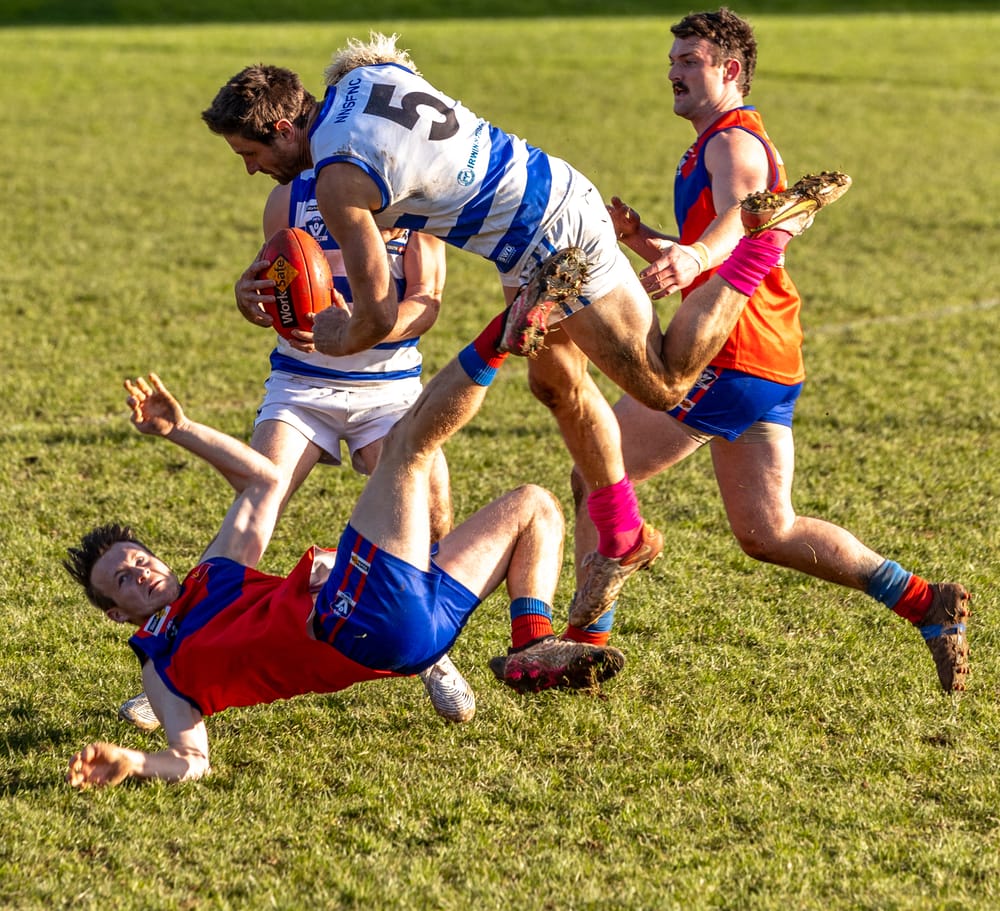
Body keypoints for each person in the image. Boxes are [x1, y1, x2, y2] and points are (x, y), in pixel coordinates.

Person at [200, 32, 776, 641]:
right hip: (526, 231)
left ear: (285, 128)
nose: (252, 169)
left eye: (250, 153)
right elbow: (383, 58)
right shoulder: (356, 81)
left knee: (663, 382)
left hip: (556, 232)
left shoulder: (337, 181)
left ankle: (763, 243)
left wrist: (335, 334)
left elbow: (376, 316)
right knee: (555, 385)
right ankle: (620, 532)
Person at [565, 8, 970, 693]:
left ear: (730, 71)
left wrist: (694, 255)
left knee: (596, 472)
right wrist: (642, 238)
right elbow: (723, 243)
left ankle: (584, 646)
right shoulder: (718, 141)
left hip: (728, 353)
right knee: (768, 531)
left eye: (689, 61)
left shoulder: (732, 143)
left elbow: (739, 222)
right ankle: (925, 601)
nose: (674, 72)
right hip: (767, 357)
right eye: (672, 61)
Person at [64, 301, 628, 789]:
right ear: (118, 614)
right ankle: (502, 334)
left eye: (140, 560)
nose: (141, 572)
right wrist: (134, 762)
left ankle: (532, 644)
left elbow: (263, 482)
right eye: (123, 580)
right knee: (406, 447)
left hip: (413, 637)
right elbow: (192, 761)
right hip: (351, 622)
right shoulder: (159, 665)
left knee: (534, 507)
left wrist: (180, 429)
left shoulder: (213, 574)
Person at [117, 169, 466, 731]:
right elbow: (274, 283)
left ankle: (432, 656)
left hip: (388, 390)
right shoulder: (290, 194)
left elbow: (427, 301)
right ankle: (176, 664)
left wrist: (361, 328)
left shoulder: (416, 202)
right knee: (256, 503)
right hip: (300, 386)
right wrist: (246, 297)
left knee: (428, 513)